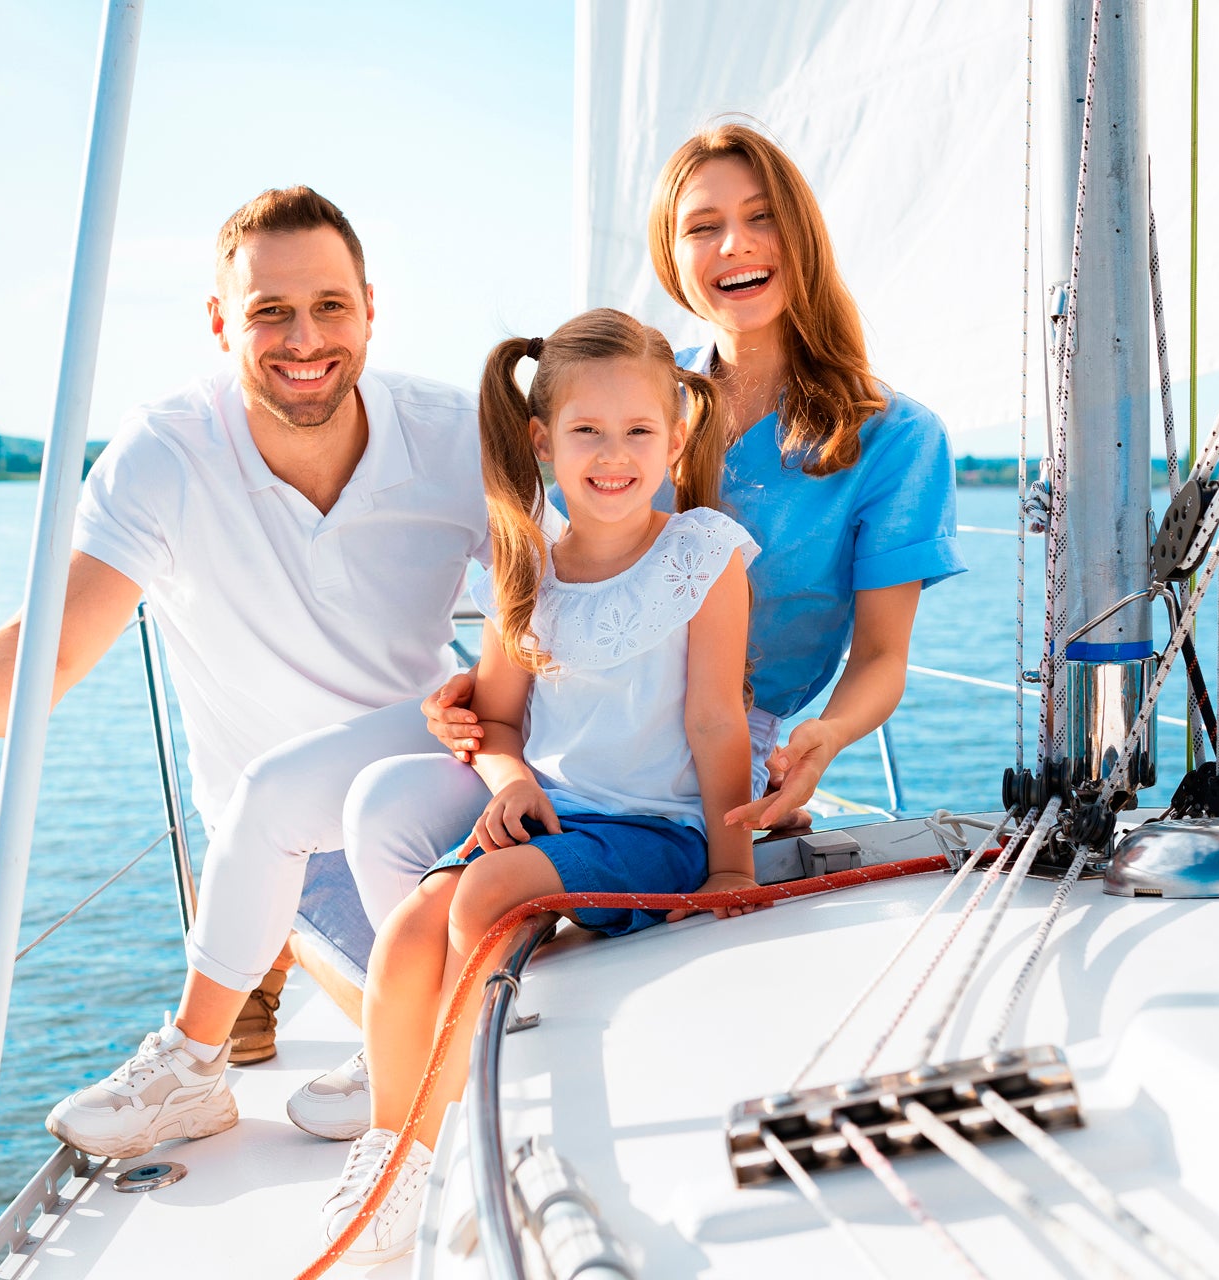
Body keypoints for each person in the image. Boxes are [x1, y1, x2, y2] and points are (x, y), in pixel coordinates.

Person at [330, 121, 966, 1120]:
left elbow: (882, 657)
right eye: (702, 226)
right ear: (670, 254)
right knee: (371, 808)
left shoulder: (896, 436)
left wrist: (821, 743)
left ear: (802, 232)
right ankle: (413, 1057)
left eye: (760, 220)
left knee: (475, 880)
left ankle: (468, 1038)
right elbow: (553, 547)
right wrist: (489, 694)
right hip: (571, 730)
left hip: (712, 754)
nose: (733, 248)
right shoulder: (633, 385)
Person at [0, 186, 511, 1160]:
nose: (304, 337)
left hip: (433, 790)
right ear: (221, 322)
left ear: (370, 307)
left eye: (329, 305)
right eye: (269, 311)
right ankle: (219, 1062)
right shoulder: (166, 455)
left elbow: (569, 594)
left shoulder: (456, 436)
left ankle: (378, 1039)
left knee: (514, 965)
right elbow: (62, 639)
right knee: (425, 968)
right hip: (286, 853)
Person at [320, 309, 760, 1264]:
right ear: (541, 441)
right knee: (404, 931)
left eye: (640, 431)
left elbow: (717, 723)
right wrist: (508, 774)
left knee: (479, 894)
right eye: (587, 433)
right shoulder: (527, 571)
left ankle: (458, 1153)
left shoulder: (704, 556)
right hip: (553, 817)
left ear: (677, 436)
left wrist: (732, 870)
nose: (614, 455)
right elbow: (501, 720)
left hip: (657, 829)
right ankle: (395, 1148)